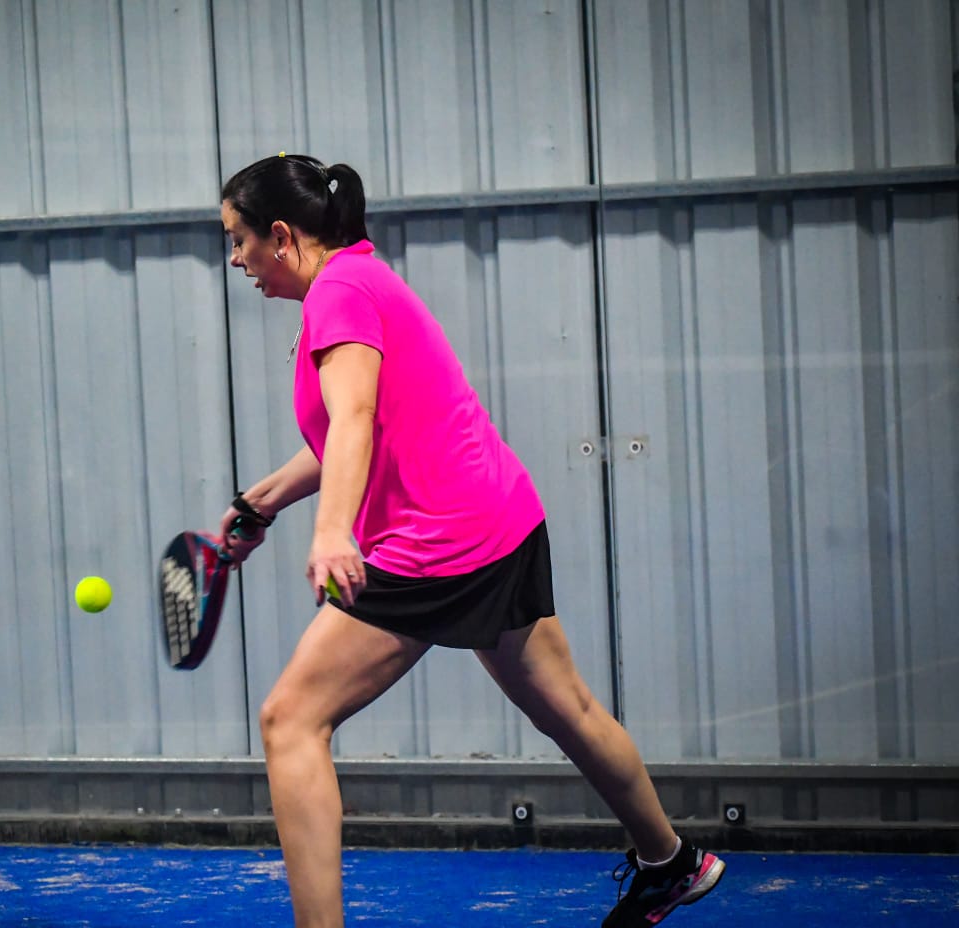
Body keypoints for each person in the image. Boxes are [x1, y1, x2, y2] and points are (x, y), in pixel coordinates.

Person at [216, 152, 725, 928]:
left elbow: (353, 423)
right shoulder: (358, 279)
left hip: (441, 539)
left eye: (238, 240)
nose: (237, 260)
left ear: (280, 236)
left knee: (291, 719)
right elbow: (361, 430)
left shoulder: (340, 295)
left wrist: (333, 533)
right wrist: (263, 502)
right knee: (571, 712)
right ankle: (673, 861)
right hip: (500, 516)